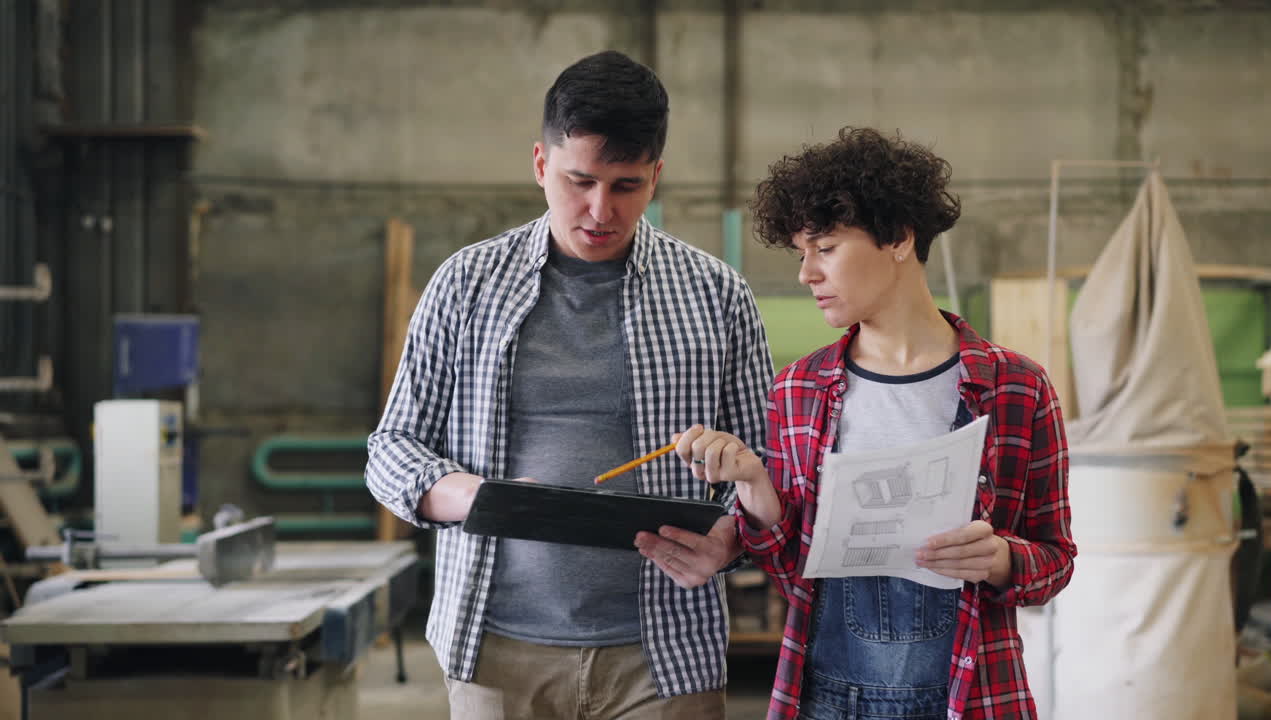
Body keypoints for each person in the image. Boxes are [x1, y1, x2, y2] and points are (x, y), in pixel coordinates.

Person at [365, 50, 774, 719]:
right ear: (539, 164)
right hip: (496, 650)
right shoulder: (466, 286)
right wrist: (476, 498)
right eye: (577, 180)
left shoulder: (716, 295)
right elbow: (392, 448)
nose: (598, 210)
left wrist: (732, 538)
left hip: (664, 656)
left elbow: (766, 466)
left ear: (657, 177)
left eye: (626, 186)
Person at [658, 127, 1075, 720]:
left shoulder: (1017, 387)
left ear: (899, 237)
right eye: (802, 252)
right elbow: (785, 561)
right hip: (827, 697)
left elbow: (1056, 558)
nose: (806, 273)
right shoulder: (798, 389)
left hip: (968, 696)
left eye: (825, 248)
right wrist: (753, 484)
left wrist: (1003, 559)